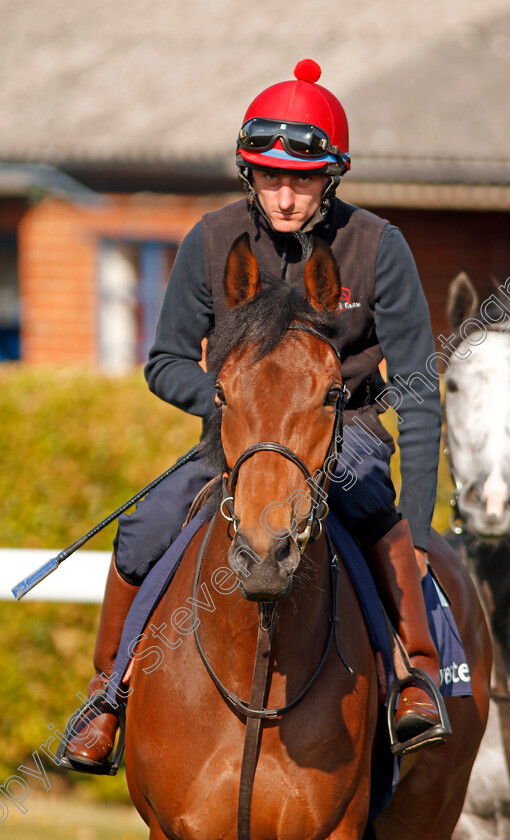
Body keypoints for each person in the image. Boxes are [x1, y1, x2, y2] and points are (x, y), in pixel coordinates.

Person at [63, 59, 448, 771]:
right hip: (235, 434)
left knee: (372, 514)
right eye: (269, 177)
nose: (285, 195)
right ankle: (106, 695)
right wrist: (224, 400)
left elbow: (418, 393)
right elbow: (166, 361)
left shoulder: (377, 245)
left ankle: (412, 679)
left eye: (301, 179)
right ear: (249, 175)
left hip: (344, 429)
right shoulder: (210, 239)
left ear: (330, 176)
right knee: (148, 522)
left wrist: (419, 524)